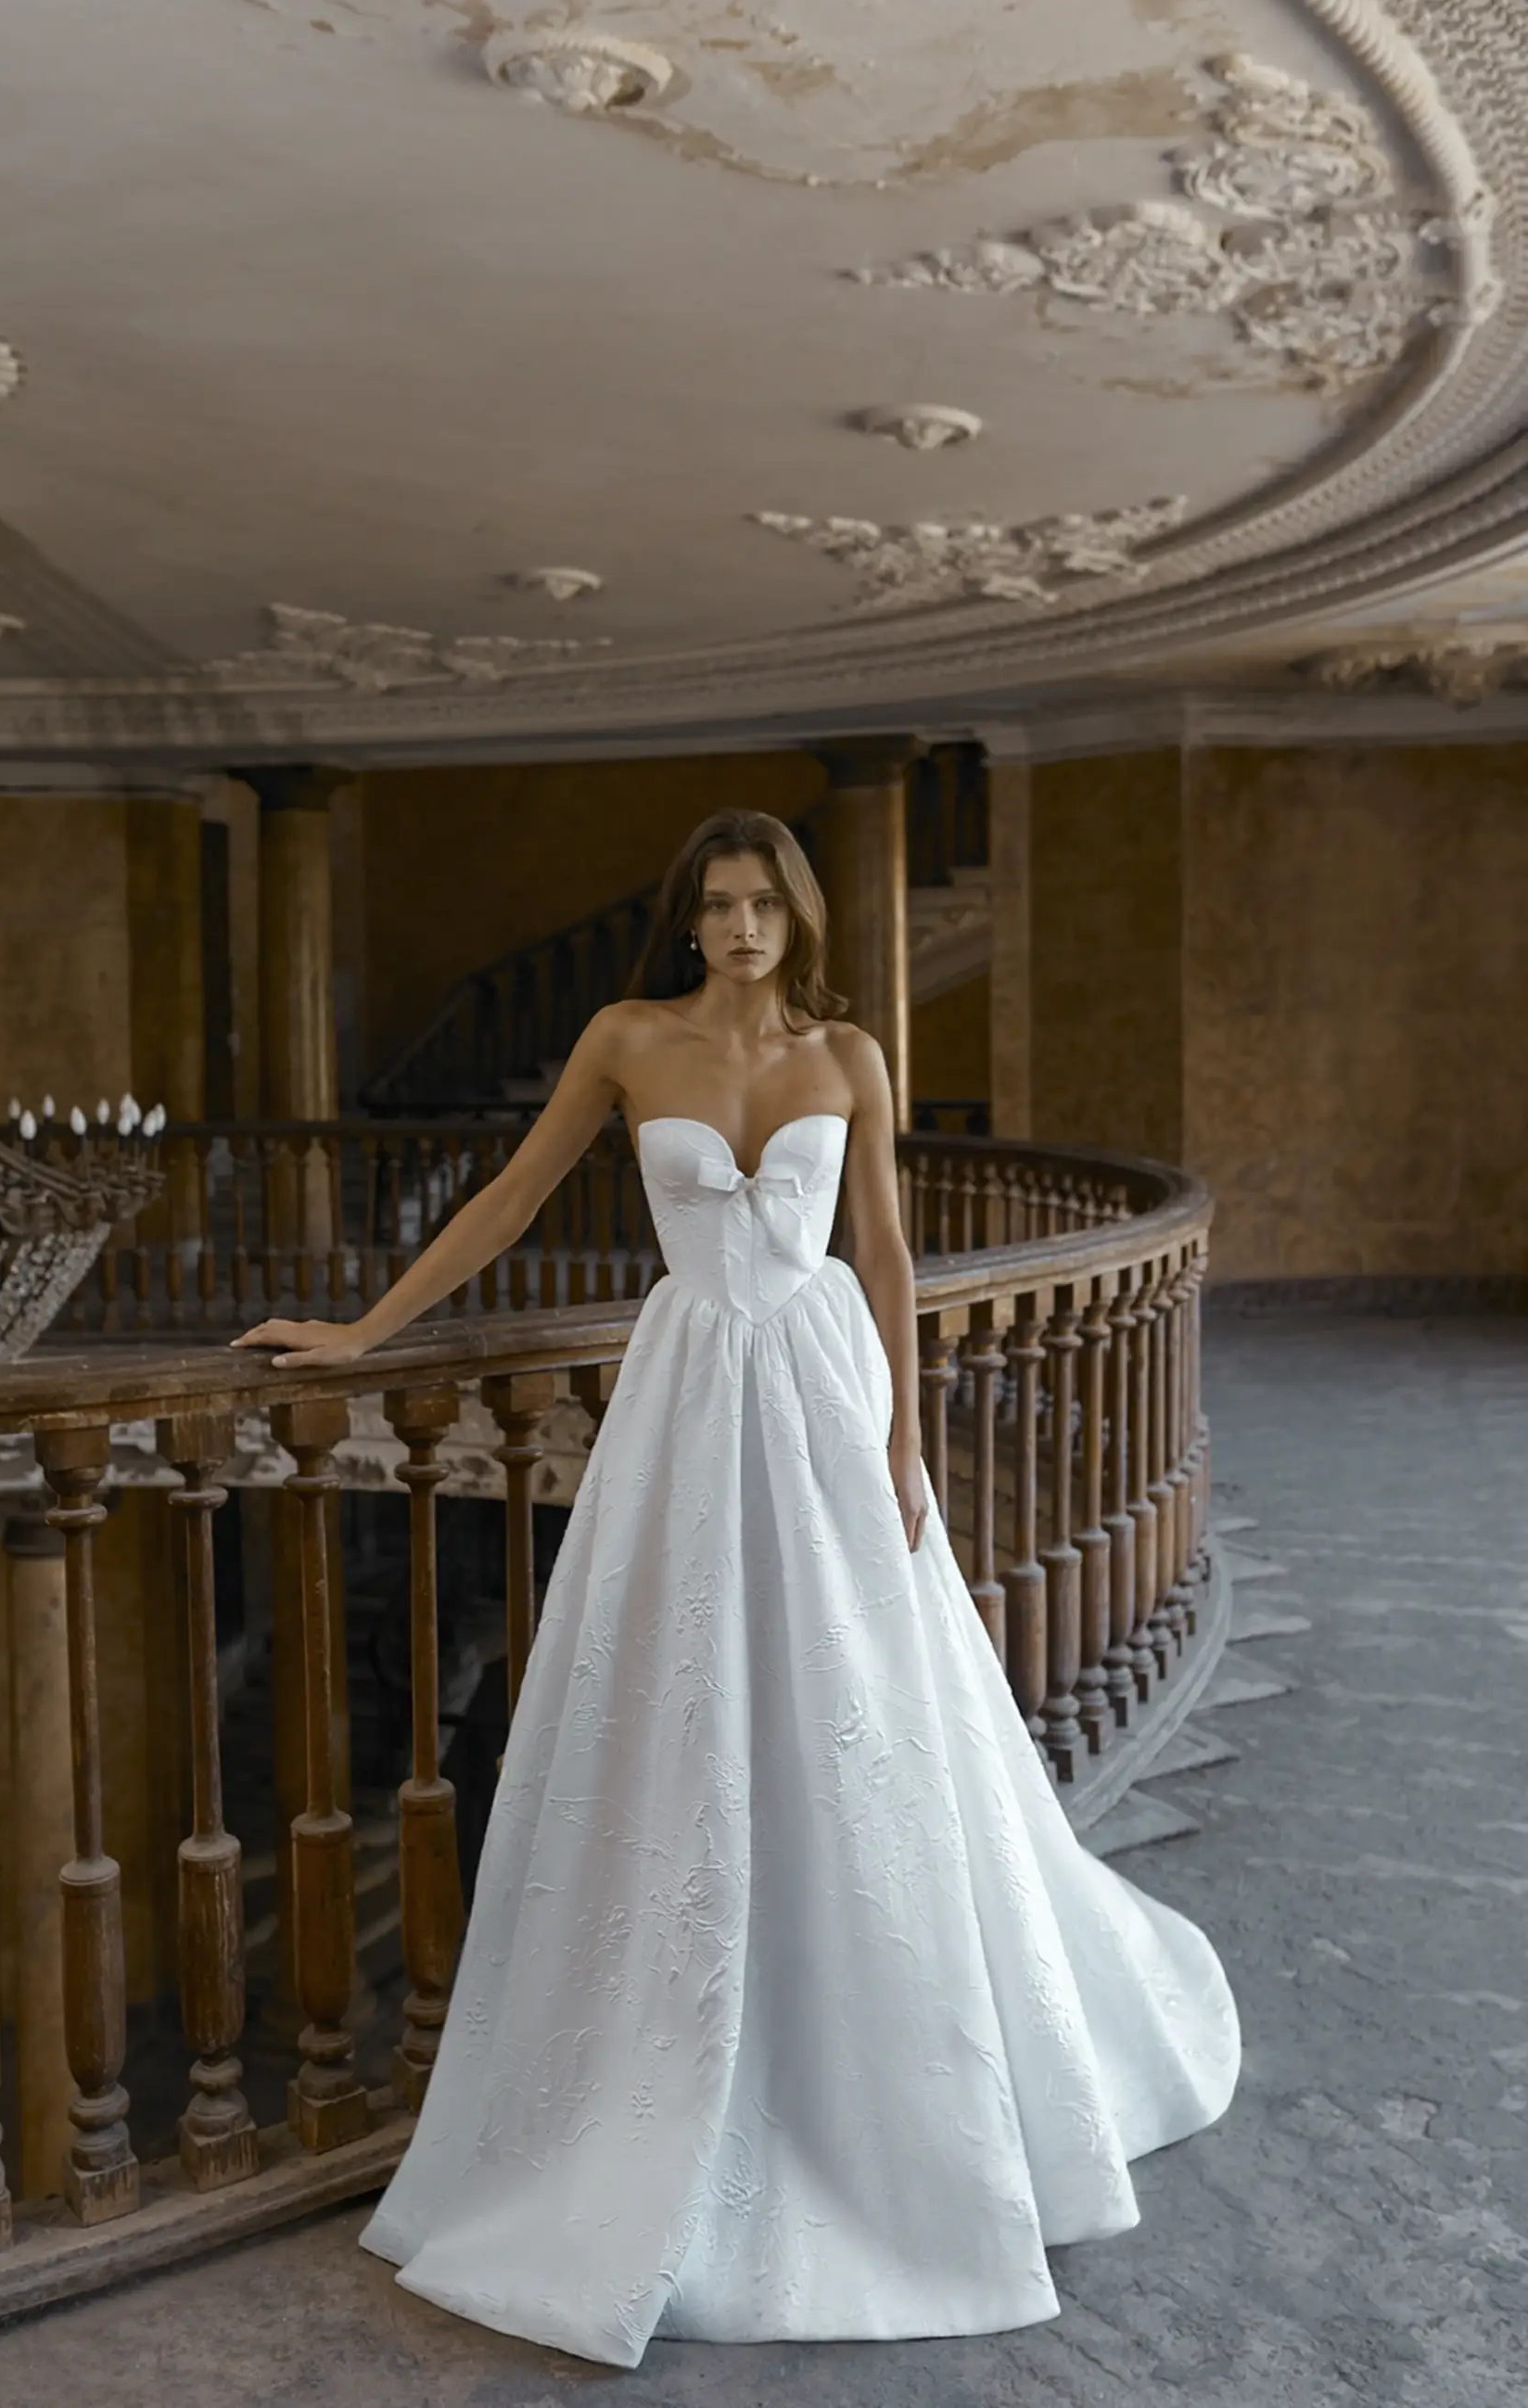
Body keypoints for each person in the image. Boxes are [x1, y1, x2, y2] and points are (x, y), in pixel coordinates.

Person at [236, 808, 1241, 2368]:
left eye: (764, 904)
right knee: (677, 1710)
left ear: (799, 918)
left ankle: (892, 2073)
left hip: (829, 1394)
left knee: (862, 1708)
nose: (742, 927)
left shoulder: (850, 1058)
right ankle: (661, 2067)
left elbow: (890, 1251)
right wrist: (364, 1335)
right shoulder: (626, 1037)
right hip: (693, 1394)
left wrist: (907, 1431)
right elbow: (511, 1197)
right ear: (690, 923)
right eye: (718, 905)